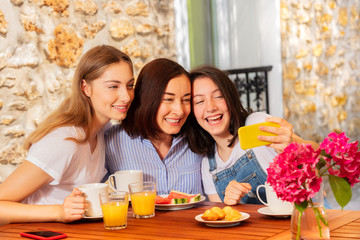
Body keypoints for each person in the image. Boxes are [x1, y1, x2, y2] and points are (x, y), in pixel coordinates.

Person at [0, 45, 135, 225]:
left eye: (130, 85)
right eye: (113, 86)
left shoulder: (102, 130)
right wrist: (59, 212)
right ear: (85, 88)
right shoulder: (64, 141)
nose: (126, 96)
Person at [186, 65, 319, 205]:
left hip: (306, 216)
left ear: (230, 98)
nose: (211, 107)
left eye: (219, 96)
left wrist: (296, 145)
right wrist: (230, 203)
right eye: (199, 101)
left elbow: (319, 154)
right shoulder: (208, 164)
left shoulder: (256, 124)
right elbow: (221, 215)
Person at [105, 58, 203, 195]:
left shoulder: (200, 139)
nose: (180, 110)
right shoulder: (111, 142)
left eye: (186, 100)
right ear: (147, 99)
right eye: (168, 99)